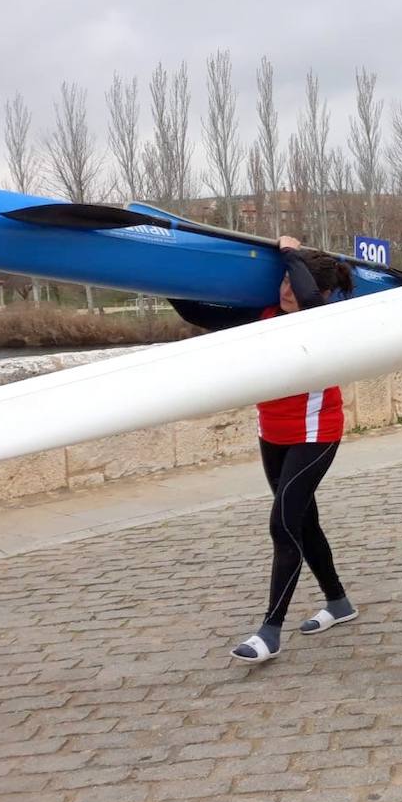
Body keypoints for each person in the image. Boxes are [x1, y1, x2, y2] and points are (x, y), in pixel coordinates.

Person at [170, 238, 358, 664]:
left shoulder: (323, 319)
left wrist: (290, 254)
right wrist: (163, 274)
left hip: (315, 433)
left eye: (294, 283)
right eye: (283, 282)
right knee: (303, 523)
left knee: (283, 524)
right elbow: (197, 313)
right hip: (271, 433)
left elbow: (308, 297)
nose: (287, 290)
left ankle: (269, 631)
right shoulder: (264, 316)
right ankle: (339, 603)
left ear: (321, 291)